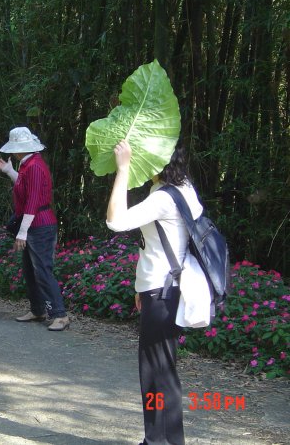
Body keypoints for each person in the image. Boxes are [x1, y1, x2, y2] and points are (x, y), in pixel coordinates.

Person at [106, 139, 203, 445]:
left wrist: (122, 170)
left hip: (162, 291)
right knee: (163, 369)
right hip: (169, 287)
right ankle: (166, 439)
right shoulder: (184, 188)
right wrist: (141, 287)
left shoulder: (163, 197)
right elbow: (163, 245)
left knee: (155, 372)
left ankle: (158, 441)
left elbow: (115, 221)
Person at [0, 126, 69, 331]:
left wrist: (22, 231)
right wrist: (9, 171)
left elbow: (33, 200)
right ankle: (38, 309)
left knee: (42, 270)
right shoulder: (28, 164)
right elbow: (24, 186)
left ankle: (59, 315)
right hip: (35, 224)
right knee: (30, 270)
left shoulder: (34, 166)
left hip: (40, 225)